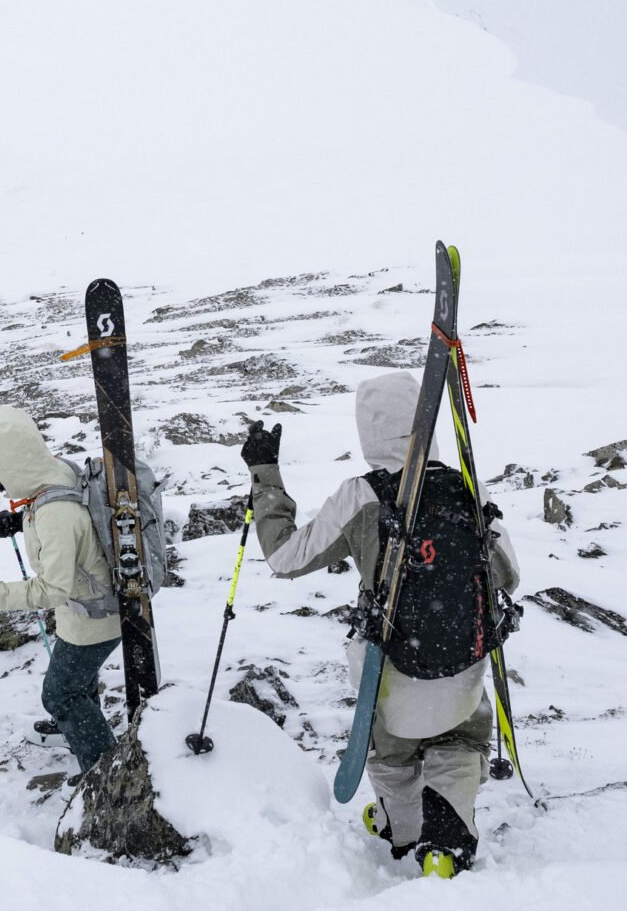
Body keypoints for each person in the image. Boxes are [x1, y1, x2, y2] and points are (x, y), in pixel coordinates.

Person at [244, 372, 520, 879]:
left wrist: (265, 475)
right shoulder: (467, 485)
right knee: (459, 738)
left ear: (368, 429)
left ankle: (403, 824)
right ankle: (447, 840)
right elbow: (510, 574)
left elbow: (285, 556)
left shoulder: (361, 495)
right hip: (464, 663)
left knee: (390, 745)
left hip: (391, 669)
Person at [0, 407, 121, 776]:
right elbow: (70, 528)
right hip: (91, 607)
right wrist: (23, 519)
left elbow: (52, 589)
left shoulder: (55, 514)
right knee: (78, 682)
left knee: (60, 694)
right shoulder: (53, 473)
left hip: (94, 618)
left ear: (11, 467)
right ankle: (79, 729)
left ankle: (102, 771)